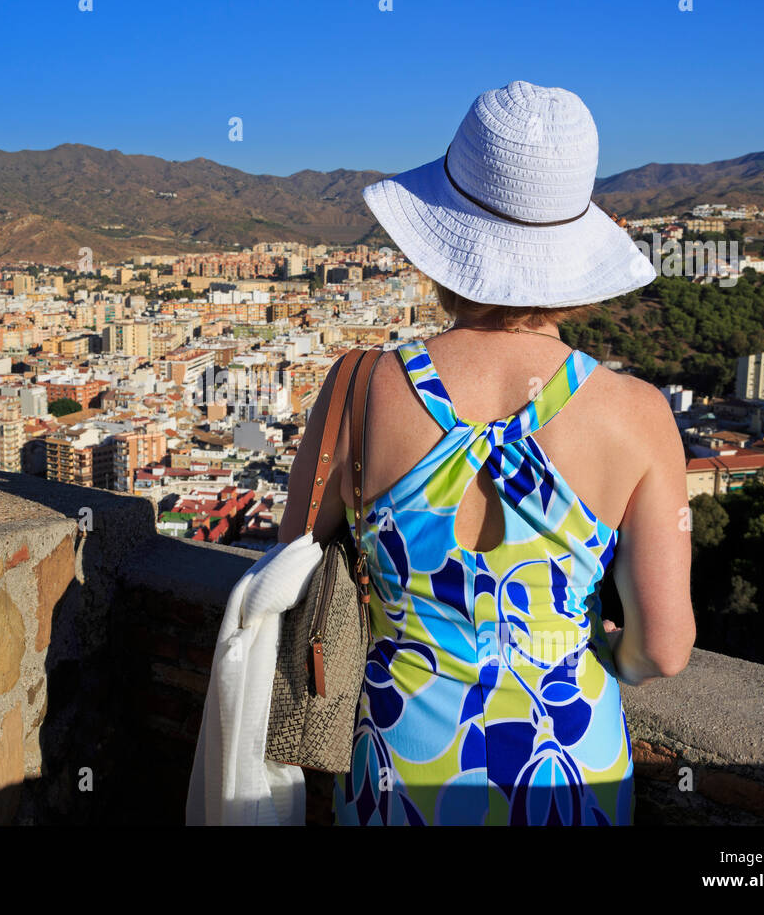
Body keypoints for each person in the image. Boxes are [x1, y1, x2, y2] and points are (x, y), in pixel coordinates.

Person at [278, 81, 695, 826]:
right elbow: (663, 650)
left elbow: (294, 561)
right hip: (571, 769)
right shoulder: (638, 415)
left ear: (442, 240)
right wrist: (589, 649)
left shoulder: (362, 386)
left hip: (397, 760)